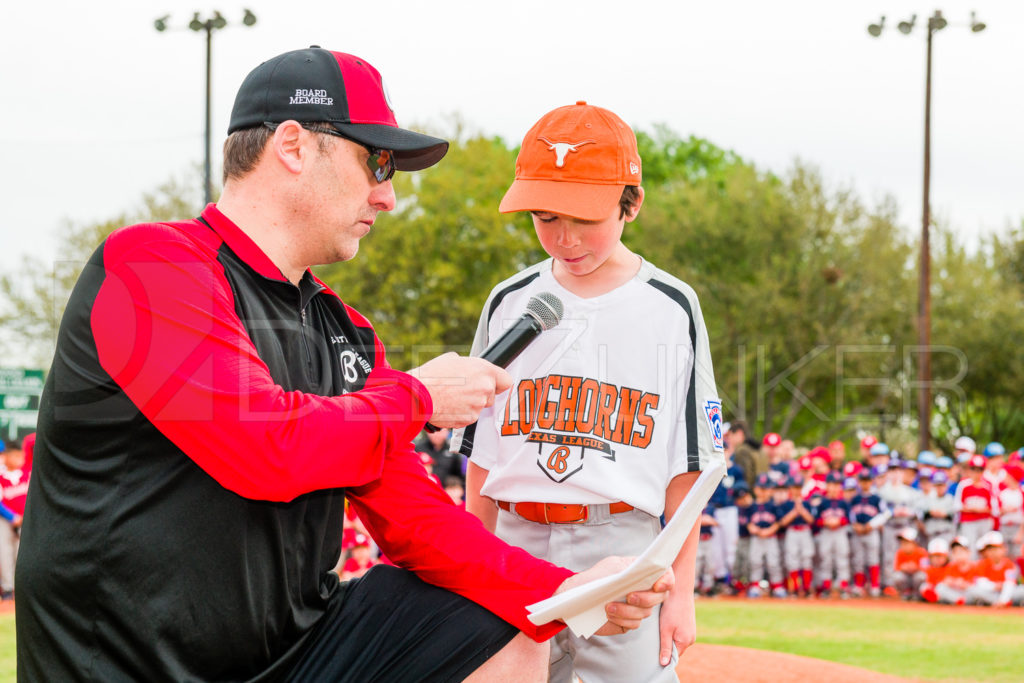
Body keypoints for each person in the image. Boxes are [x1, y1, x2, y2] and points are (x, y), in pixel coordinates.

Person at [15, 48, 672, 682]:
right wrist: (416, 395)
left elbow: (416, 519)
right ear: (294, 146)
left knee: (502, 623)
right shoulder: (152, 265)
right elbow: (261, 444)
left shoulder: (347, 331)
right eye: (378, 162)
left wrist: (569, 589)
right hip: (130, 667)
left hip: (296, 656)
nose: (388, 197)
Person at [456, 101, 724, 682]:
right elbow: (481, 458)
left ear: (632, 203)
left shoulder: (671, 307)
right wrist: (467, 573)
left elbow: (689, 465)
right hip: (515, 542)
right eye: (546, 217)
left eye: (585, 217)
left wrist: (681, 591)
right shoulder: (510, 301)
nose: (564, 237)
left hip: (623, 543)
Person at [0, 438, 30, 600]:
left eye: (21, 456)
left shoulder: (27, 475)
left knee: (21, 553)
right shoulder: (1, 476)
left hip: (24, 520)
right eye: (17, 456)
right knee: (5, 553)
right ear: (7, 456)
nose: (21, 460)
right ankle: (7, 589)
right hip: (5, 521)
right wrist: (12, 517)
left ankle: (20, 588)